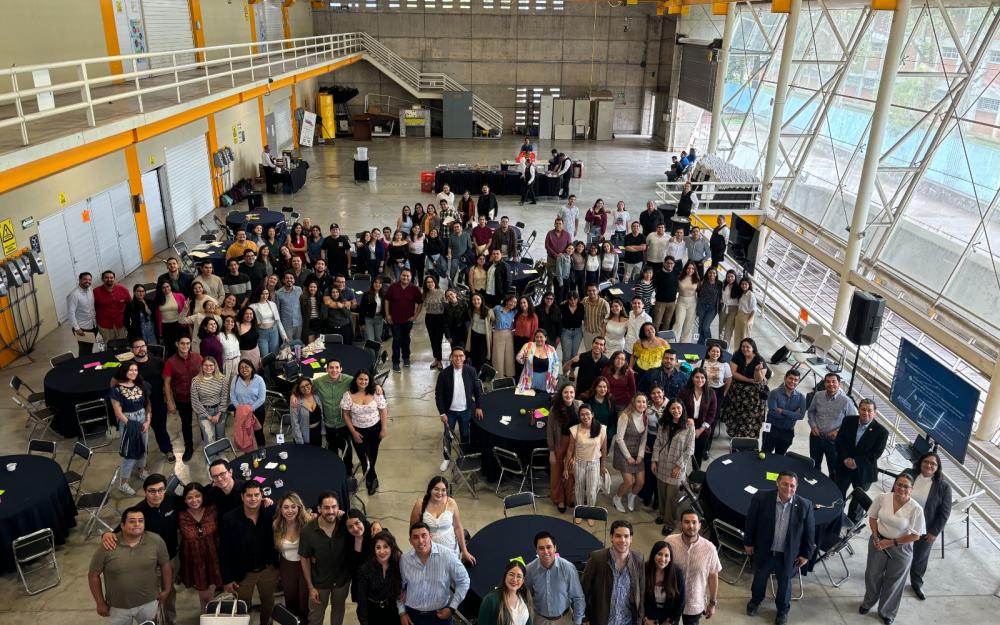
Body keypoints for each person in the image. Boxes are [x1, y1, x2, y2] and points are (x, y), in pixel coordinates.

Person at [743, 472, 815, 625]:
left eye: (792, 486)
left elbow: (809, 533)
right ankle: (755, 601)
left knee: (785, 585)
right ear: (777, 483)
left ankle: (782, 611)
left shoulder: (805, 505)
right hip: (765, 551)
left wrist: (806, 554)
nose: (788, 488)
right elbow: (751, 521)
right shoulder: (761, 498)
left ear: (796, 487)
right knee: (759, 579)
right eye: (785, 484)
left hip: (788, 556)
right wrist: (748, 542)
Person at [88, 507, 172, 625]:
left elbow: (165, 565)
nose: (137, 524)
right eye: (132, 521)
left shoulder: (155, 541)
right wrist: (100, 603)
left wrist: (167, 589)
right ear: (122, 525)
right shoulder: (108, 545)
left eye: (140, 521)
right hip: (117, 607)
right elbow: (93, 575)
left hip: (149, 603)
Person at [861, 473, 926, 625]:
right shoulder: (883, 497)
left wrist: (891, 542)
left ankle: (887, 612)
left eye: (906, 486)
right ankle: (868, 602)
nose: (901, 488)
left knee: (894, 580)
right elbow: (872, 517)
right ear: (894, 485)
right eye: (899, 484)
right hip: (878, 541)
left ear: (911, 489)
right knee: (872, 574)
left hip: (901, 547)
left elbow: (916, 536)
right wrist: (876, 536)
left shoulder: (916, 509)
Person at [220, 482, 279, 625]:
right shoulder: (229, 519)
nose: (253, 499)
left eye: (256, 495)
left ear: (262, 496)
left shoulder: (270, 512)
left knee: (269, 602)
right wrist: (227, 579)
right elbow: (224, 551)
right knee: (242, 606)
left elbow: (290, 510)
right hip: (243, 574)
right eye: (249, 495)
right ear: (242, 497)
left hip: (268, 570)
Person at [297, 492, 355, 625]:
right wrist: (310, 587)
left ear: (338, 507)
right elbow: (304, 559)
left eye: (334, 507)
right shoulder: (308, 531)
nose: (331, 511)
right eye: (326, 507)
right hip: (319, 583)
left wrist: (376, 524)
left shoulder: (346, 525)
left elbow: (362, 526)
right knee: (315, 617)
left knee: (338, 611)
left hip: (342, 581)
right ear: (319, 509)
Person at [398, 522, 471, 625]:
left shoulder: (447, 555)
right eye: (415, 537)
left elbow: (464, 580)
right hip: (412, 615)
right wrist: (402, 612)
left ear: (430, 537)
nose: (420, 541)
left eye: (424, 535)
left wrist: (452, 608)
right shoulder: (405, 560)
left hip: (440, 615)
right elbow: (398, 587)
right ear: (410, 541)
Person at [905, 452, 952, 601]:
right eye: (926, 461)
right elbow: (895, 492)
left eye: (933, 464)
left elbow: (945, 512)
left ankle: (916, 583)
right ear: (920, 462)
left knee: (920, 557)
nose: (929, 465)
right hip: (902, 522)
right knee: (896, 550)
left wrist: (934, 532)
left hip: (925, 527)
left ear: (938, 467)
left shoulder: (943, 486)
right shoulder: (908, 474)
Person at [581, 520, 645, 625]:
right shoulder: (597, 558)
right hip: (602, 621)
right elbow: (584, 590)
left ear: (631, 539)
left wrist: (640, 619)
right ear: (611, 537)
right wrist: (585, 617)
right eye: (618, 536)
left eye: (626, 536)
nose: (623, 540)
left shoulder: (638, 560)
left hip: (627, 621)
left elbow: (641, 592)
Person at [665, 511, 720, 625]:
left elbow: (713, 577)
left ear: (699, 525)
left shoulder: (710, 549)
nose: (690, 526)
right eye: (686, 522)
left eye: (694, 522)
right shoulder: (669, 542)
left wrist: (712, 603)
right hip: (671, 600)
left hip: (694, 603)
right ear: (681, 524)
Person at [435, 347, 484, 472]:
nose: (458, 358)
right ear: (451, 358)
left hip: (466, 411)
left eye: (461, 356)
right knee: (448, 436)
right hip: (449, 413)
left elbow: (477, 390)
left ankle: (463, 456)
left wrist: (479, 406)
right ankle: (446, 458)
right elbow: (438, 395)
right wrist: (442, 413)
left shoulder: (471, 371)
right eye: (455, 356)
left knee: (465, 435)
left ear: (464, 358)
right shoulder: (444, 374)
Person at [177, 483, 223, 613]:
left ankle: (210, 616)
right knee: (204, 597)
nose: (194, 500)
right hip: (195, 563)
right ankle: (205, 616)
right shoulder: (180, 516)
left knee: (210, 596)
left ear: (203, 497)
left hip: (213, 560)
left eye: (198, 496)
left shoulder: (212, 510)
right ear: (185, 500)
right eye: (189, 497)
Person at [651, 399, 695, 533]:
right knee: (662, 493)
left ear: (683, 409)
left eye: (678, 408)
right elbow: (657, 443)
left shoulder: (689, 426)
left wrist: (679, 466)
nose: (676, 411)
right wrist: (654, 460)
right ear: (669, 410)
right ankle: (662, 514)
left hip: (676, 467)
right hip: (662, 464)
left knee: (671, 497)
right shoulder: (664, 424)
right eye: (673, 408)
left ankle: (669, 523)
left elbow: (690, 449)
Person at [408, 477, 476, 564]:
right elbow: (413, 530)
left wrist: (464, 551)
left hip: (450, 549)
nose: (440, 493)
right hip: (427, 550)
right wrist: (419, 549)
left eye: (443, 490)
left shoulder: (451, 503)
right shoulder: (420, 504)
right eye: (436, 489)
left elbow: (458, 527)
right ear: (430, 489)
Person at [342, 370, 389, 495]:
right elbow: (345, 414)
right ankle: (371, 479)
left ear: (369, 381)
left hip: (375, 430)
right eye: (360, 379)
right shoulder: (348, 395)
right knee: (364, 458)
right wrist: (353, 432)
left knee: (372, 455)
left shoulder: (375, 392)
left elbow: (383, 410)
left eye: (366, 379)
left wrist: (384, 428)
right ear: (356, 380)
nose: (363, 382)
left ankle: (370, 477)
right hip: (358, 431)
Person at [526, 531, 586, 625]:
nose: (546, 551)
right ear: (536, 551)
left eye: (549, 547)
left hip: (565, 619)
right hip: (539, 620)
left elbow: (578, 598)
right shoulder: (529, 570)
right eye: (541, 548)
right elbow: (526, 596)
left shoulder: (568, 568)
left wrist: (577, 622)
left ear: (555, 548)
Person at [109, 363, 151, 495]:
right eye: (130, 370)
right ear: (124, 371)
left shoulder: (141, 385)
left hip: (143, 419)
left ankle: (141, 471)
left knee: (143, 448)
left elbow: (147, 405)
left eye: (135, 370)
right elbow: (118, 412)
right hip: (128, 422)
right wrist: (132, 425)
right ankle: (123, 483)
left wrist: (148, 421)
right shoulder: (116, 390)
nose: (133, 372)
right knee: (130, 453)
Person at [835, 398, 889, 496]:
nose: (866, 413)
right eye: (863, 409)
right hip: (844, 465)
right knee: (838, 494)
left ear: (874, 413)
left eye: (869, 410)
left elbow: (875, 454)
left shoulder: (882, 432)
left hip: (864, 470)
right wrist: (845, 458)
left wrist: (856, 462)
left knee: (858, 501)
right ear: (858, 410)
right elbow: (839, 441)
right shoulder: (848, 420)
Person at [807, 372, 857, 477]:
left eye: (834, 382)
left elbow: (853, 422)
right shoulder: (818, 395)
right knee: (814, 466)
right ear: (824, 383)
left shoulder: (846, 401)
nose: (831, 384)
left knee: (834, 470)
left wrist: (838, 432)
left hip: (834, 442)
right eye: (828, 382)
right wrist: (813, 425)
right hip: (816, 437)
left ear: (839, 384)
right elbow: (811, 412)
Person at [564, 404, 607, 522]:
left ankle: (590, 514)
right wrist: (566, 468)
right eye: (582, 414)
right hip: (579, 463)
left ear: (592, 414)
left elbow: (604, 449)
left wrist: (603, 466)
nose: (585, 417)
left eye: (587, 414)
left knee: (592, 490)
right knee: (578, 489)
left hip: (594, 463)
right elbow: (570, 450)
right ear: (579, 416)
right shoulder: (575, 429)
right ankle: (579, 512)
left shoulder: (601, 429)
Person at [720, 338, 769, 439]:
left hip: (753, 394)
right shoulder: (737, 355)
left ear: (753, 348)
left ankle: (744, 437)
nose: (745, 349)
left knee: (749, 416)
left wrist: (757, 371)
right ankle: (733, 435)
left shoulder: (760, 360)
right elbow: (733, 373)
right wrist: (748, 380)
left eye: (747, 347)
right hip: (737, 391)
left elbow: (758, 380)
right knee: (734, 413)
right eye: (743, 346)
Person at [163, 334, 202, 462]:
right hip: (182, 398)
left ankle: (207, 442)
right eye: (182, 343)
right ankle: (189, 447)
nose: (185, 346)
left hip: (199, 397)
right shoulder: (170, 362)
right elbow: (167, 383)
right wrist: (170, 402)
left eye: (187, 343)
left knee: (203, 420)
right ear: (177, 344)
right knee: (186, 423)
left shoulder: (198, 357)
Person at [313, 359, 355, 470]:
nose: (334, 370)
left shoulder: (349, 380)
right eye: (331, 367)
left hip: (344, 423)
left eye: (337, 367)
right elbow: (303, 387)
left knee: (347, 448)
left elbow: (365, 382)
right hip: (328, 424)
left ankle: (348, 470)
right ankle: (335, 469)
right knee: (332, 448)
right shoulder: (318, 382)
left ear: (341, 369)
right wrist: (294, 395)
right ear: (326, 369)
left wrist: (378, 387)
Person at [356, 529, 404, 625]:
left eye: (385, 547)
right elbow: (361, 600)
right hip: (373, 611)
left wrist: (404, 592)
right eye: (378, 547)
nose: (382, 551)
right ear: (374, 549)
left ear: (391, 547)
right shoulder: (365, 569)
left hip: (393, 609)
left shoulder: (397, 564)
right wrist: (363, 621)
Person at [548, 383, 582, 512]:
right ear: (561, 394)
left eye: (571, 392)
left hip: (575, 443)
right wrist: (552, 451)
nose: (569, 395)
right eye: (566, 392)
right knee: (557, 472)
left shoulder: (579, 405)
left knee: (571, 472)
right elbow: (549, 431)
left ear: (575, 393)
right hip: (559, 442)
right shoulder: (554, 409)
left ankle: (568, 497)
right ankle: (559, 499)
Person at [614, 393, 649, 513]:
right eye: (639, 401)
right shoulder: (625, 416)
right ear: (633, 402)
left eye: (644, 402)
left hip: (637, 451)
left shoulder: (645, 417)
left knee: (640, 482)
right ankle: (617, 498)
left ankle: (632, 496)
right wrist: (628, 457)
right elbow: (619, 439)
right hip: (623, 451)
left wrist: (640, 455)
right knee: (629, 482)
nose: (641, 404)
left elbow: (644, 438)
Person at [678, 369, 717, 471]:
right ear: (692, 378)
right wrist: (687, 423)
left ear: (706, 379)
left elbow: (712, 414)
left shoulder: (711, 393)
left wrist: (700, 430)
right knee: (682, 453)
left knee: (698, 455)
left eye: (702, 377)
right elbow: (679, 409)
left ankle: (695, 475)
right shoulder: (684, 392)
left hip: (703, 429)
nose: (700, 380)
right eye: (697, 377)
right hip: (686, 425)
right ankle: (680, 475)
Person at [385, 269, 423, 372]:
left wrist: (415, 316)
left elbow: (420, 303)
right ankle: (395, 362)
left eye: (407, 276)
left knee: (406, 339)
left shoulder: (414, 289)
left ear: (411, 277)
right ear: (400, 276)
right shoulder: (393, 287)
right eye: (403, 275)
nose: (405, 277)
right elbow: (387, 300)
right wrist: (388, 315)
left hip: (408, 320)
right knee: (396, 340)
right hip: (394, 320)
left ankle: (406, 357)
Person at [763, 370, 806, 455]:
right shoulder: (774, 393)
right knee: (765, 453)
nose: (793, 382)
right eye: (791, 378)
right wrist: (793, 414)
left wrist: (782, 411)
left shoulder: (801, 397)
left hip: (788, 431)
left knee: (781, 455)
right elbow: (773, 413)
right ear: (785, 378)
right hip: (771, 428)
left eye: (796, 380)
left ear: (798, 382)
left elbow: (801, 416)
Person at [477, 561, 532, 625]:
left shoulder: (525, 599)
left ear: (522, 581)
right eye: (511, 574)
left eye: (519, 576)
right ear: (505, 576)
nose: (514, 579)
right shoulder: (490, 600)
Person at [644, 541, 685, 625]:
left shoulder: (677, 573)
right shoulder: (644, 569)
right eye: (659, 554)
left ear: (670, 558)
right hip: (648, 619)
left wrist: (670, 621)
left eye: (666, 555)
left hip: (669, 620)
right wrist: (645, 619)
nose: (663, 559)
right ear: (653, 555)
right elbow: (639, 598)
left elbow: (681, 601)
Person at [190, 356, 229, 446]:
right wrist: (209, 417)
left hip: (220, 411)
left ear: (215, 366)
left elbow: (225, 397)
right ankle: (211, 455)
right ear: (201, 366)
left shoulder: (222, 379)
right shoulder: (196, 381)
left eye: (211, 365)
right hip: (204, 412)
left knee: (221, 437)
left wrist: (218, 414)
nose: (208, 367)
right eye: (205, 365)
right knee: (209, 439)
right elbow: (195, 401)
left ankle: (219, 454)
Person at [231, 358, 267, 449]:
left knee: (258, 432)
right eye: (241, 367)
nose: (244, 369)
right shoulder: (236, 379)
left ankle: (262, 450)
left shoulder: (259, 379)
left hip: (257, 411)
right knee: (243, 433)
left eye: (246, 367)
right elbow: (232, 396)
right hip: (241, 412)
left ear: (251, 368)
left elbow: (262, 398)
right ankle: (248, 452)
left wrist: (249, 409)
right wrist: (239, 408)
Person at [517, 329, 560, 393]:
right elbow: (518, 357)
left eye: (541, 337)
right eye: (537, 337)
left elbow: (556, 364)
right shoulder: (528, 346)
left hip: (546, 381)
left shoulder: (551, 349)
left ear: (545, 338)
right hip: (528, 380)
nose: (539, 339)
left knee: (543, 397)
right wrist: (522, 358)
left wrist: (554, 378)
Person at [93, 270, 131, 342]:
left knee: (122, 343)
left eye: (111, 277)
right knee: (109, 344)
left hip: (121, 323)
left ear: (114, 278)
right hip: (104, 325)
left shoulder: (123, 289)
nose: (109, 279)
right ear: (102, 279)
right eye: (106, 278)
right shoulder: (95, 292)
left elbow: (130, 305)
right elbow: (92, 308)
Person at [488, 294, 518, 378]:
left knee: (509, 355)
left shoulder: (514, 312)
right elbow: (489, 315)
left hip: (509, 334)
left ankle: (509, 374)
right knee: (498, 355)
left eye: (515, 302)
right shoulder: (497, 308)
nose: (513, 304)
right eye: (511, 301)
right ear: (507, 301)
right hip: (498, 333)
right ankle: (498, 376)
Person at [154, 280, 187, 356]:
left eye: (167, 286)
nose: (166, 289)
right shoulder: (158, 299)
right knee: (170, 347)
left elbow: (185, 310)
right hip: (165, 326)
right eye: (163, 287)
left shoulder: (180, 296)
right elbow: (156, 314)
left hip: (178, 324)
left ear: (171, 286)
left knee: (181, 345)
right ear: (161, 289)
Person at [290, 377, 324, 445]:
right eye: (302, 387)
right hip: (303, 435)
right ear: (299, 389)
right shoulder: (295, 401)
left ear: (311, 384)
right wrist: (300, 441)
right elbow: (294, 423)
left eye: (307, 384)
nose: (305, 388)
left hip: (318, 433)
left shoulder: (317, 396)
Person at [423, 275, 447, 370]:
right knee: (432, 340)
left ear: (435, 282)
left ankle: (440, 360)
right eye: (428, 282)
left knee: (438, 340)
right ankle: (436, 359)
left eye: (431, 282)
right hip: (429, 318)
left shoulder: (442, 292)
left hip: (440, 318)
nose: (430, 284)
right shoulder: (425, 293)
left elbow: (446, 307)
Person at [672, 262, 699, 342]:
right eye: (689, 268)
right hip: (681, 301)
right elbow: (675, 289)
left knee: (689, 324)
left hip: (692, 302)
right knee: (678, 323)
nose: (690, 270)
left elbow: (699, 291)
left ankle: (685, 342)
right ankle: (674, 341)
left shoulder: (696, 279)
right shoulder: (679, 277)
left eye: (692, 268)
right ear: (685, 268)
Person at [694, 267, 723, 344]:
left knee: (705, 327)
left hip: (712, 308)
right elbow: (697, 291)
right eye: (710, 273)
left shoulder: (719, 284)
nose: (712, 274)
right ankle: (700, 344)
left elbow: (722, 295)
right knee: (700, 326)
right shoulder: (703, 281)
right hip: (701, 306)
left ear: (716, 274)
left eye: (714, 273)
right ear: (707, 273)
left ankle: (710, 343)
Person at [652, 256, 679, 331]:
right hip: (660, 302)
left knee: (667, 322)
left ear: (674, 264)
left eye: (671, 263)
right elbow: (653, 287)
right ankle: (655, 337)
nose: (669, 265)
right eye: (667, 263)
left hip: (672, 303)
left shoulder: (676, 273)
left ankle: (664, 337)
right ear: (664, 263)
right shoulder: (658, 274)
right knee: (657, 322)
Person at [465, 293, 490, 371]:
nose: (476, 301)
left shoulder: (488, 311)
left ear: (482, 300)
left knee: (482, 357)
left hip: (483, 337)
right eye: (474, 300)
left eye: (478, 299)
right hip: (474, 334)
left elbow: (493, 321)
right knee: (474, 355)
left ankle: (481, 374)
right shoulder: (471, 310)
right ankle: (474, 372)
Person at [276, 272, 304, 342]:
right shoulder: (278, 293)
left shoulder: (299, 290)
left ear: (294, 280)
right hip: (286, 324)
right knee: (288, 345)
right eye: (287, 278)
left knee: (298, 344)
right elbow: (277, 310)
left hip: (298, 323)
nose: (289, 280)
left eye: (291, 278)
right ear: (283, 280)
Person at [558, 291, 585, 361]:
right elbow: (558, 319)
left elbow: (583, 318)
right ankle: (565, 368)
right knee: (566, 355)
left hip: (578, 332)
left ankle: (572, 368)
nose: (573, 301)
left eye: (575, 299)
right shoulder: (563, 306)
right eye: (571, 299)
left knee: (574, 354)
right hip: (566, 332)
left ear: (577, 299)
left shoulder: (581, 306)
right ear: (568, 299)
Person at [733, 277, 757, 347]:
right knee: (737, 336)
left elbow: (754, 309)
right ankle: (736, 351)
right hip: (739, 316)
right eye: (742, 284)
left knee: (745, 338)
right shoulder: (742, 293)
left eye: (746, 284)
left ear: (749, 285)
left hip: (747, 317)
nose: (744, 286)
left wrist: (749, 321)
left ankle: (744, 352)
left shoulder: (751, 295)